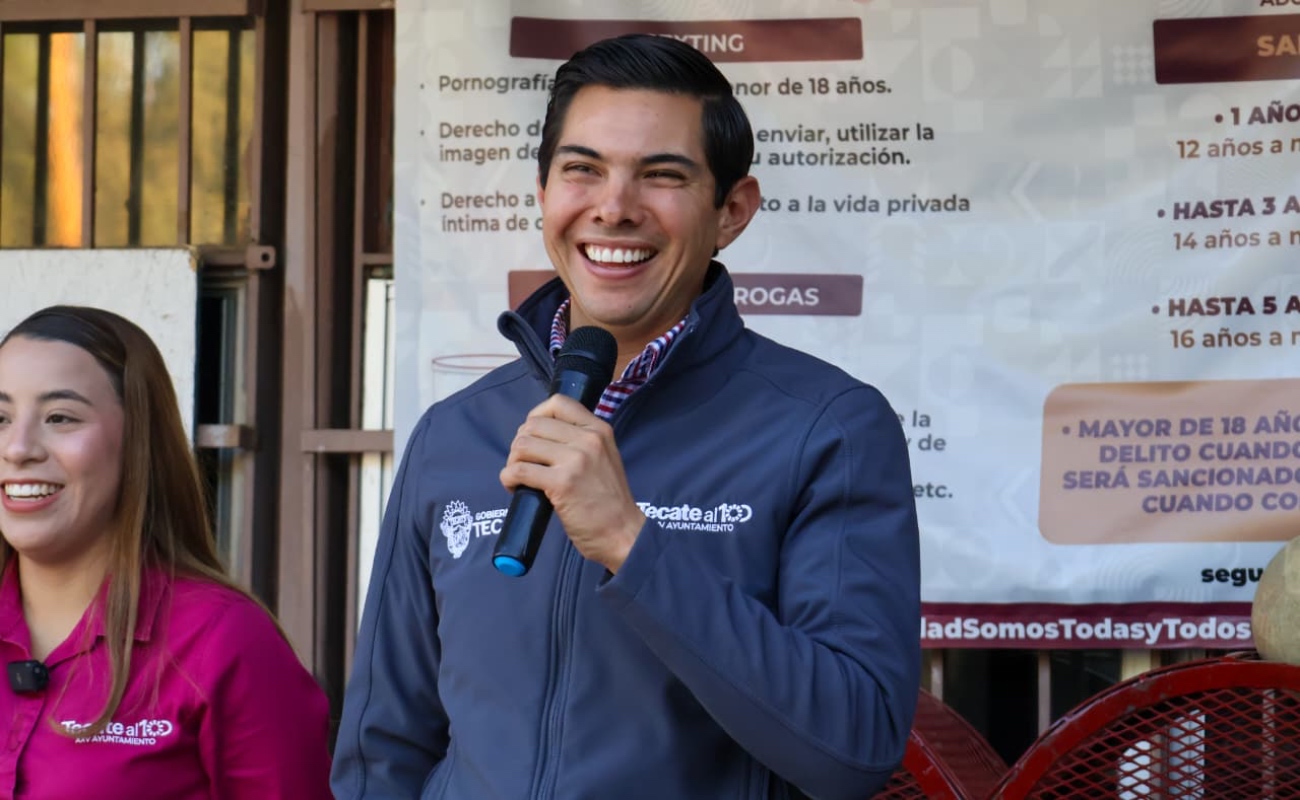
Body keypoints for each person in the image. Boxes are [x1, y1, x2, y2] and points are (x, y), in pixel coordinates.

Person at [333, 33, 920, 800]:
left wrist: (631, 545)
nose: (613, 208)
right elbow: (386, 745)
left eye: (663, 175)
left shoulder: (830, 429)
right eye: (583, 170)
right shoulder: (454, 433)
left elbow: (853, 747)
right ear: (543, 193)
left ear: (731, 210)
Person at [0, 305, 333, 798]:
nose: (18, 447)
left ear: (139, 442)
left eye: (60, 417)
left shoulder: (223, 641)